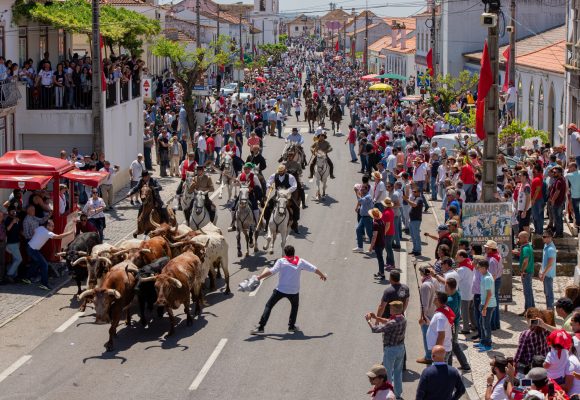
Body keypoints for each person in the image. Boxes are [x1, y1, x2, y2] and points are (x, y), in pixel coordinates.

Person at [250, 245, 327, 334]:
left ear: (285, 253)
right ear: (294, 252)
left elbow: (272, 271)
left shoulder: (281, 261)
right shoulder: (300, 261)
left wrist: (259, 277)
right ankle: (291, 327)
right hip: (294, 291)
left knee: (269, 305)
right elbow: (314, 268)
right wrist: (322, 275)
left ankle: (261, 327)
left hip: (280, 290)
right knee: (294, 307)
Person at [365, 301, 406, 399]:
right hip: (400, 348)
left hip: (391, 350)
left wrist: (369, 320)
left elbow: (375, 329)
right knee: (398, 371)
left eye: (391, 308)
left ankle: (388, 394)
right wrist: (377, 318)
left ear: (395, 310)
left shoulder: (392, 323)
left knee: (387, 373)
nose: (389, 309)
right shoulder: (403, 319)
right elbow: (388, 321)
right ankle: (398, 394)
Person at [27, 219, 74, 290]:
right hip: (33, 250)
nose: (53, 227)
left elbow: (34, 231)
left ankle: (27, 277)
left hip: (29, 247)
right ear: (48, 226)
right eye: (52, 226)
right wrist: (70, 232)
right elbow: (59, 236)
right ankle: (44, 284)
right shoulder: (47, 233)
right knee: (44, 265)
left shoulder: (40, 228)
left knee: (37, 262)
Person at [445, 277, 471, 371]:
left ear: (448, 286)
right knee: (454, 345)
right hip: (455, 323)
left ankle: (450, 368)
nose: (445, 287)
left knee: (451, 346)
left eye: (446, 285)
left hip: (452, 325)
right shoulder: (457, 293)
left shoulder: (450, 300)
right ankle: (464, 364)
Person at [475, 259, 496, 352]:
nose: (477, 268)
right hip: (484, 303)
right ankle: (483, 341)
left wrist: (485, 307)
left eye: (478, 267)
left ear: (484, 268)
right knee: (481, 323)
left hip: (488, 305)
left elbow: (489, 294)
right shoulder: (484, 275)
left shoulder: (487, 278)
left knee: (486, 325)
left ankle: (488, 345)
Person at [417, 266, 436, 364]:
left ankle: (428, 357)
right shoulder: (433, 280)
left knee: (426, 337)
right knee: (432, 336)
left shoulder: (425, 286)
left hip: (427, 315)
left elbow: (424, 304)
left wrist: (422, 317)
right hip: (434, 311)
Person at [514, 231, 535, 315]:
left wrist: (522, 271)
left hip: (526, 272)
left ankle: (529, 311)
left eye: (519, 238)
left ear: (525, 238)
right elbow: (522, 255)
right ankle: (531, 309)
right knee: (529, 292)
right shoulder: (527, 247)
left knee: (527, 292)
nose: (518, 239)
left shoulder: (525, 248)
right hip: (529, 271)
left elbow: (525, 261)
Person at [353, 184, 374, 253]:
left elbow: (361, 201)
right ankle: (360, 247)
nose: (361, 190)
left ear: (367, 189)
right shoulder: (364, 195)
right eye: (361, 189)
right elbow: (361, 200)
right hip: (363, 217)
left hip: (367, 217)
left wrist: (356, 192)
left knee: (369, 233)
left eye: (362, 189)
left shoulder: (368, 196)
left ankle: (373, 248)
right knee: (358, 230)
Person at [4, 206, 22, 283]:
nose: (14, 212)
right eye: (12, 211)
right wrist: (12, 222)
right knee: (19, 259)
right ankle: (9, 274)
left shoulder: (17, 219)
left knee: (15, 259)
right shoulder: (7, 219)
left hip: (17, 242)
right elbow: (6, 230)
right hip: (11, 243)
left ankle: (14, 276)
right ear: (8, 212)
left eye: (14, 210)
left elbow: (19, 230)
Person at [405, 186, 424, 256]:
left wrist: (407, 200)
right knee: (413, 236)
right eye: (413, 192)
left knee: (416, 236)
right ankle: (415, 249)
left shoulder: (419, 199)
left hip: (416, 220)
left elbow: (414, 205)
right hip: (412, 219)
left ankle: (418, 251)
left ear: (419, 192)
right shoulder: (415, 198)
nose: (413, 193)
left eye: (415, 192)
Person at [541, 230, 557, 309]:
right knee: (546, 293)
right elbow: (544, 261)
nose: (542, 238)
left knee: (549, 293)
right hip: (546, 273)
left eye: (544, 237)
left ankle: (550, 310)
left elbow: (550, 263)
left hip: (548, 274)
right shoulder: (546, 245)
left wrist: (543, 273)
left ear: (550, 237)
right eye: (542, 236)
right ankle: (549, 309)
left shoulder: (550, 249)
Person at [368, 208, 386, 280]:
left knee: (380, 259)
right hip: (382, 242)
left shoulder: (375, 224)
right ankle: (380, 272)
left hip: (378, 244)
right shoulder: (382, 221)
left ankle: (382, 274)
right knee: (380, 258)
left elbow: (374, 236)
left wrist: (371, 247)